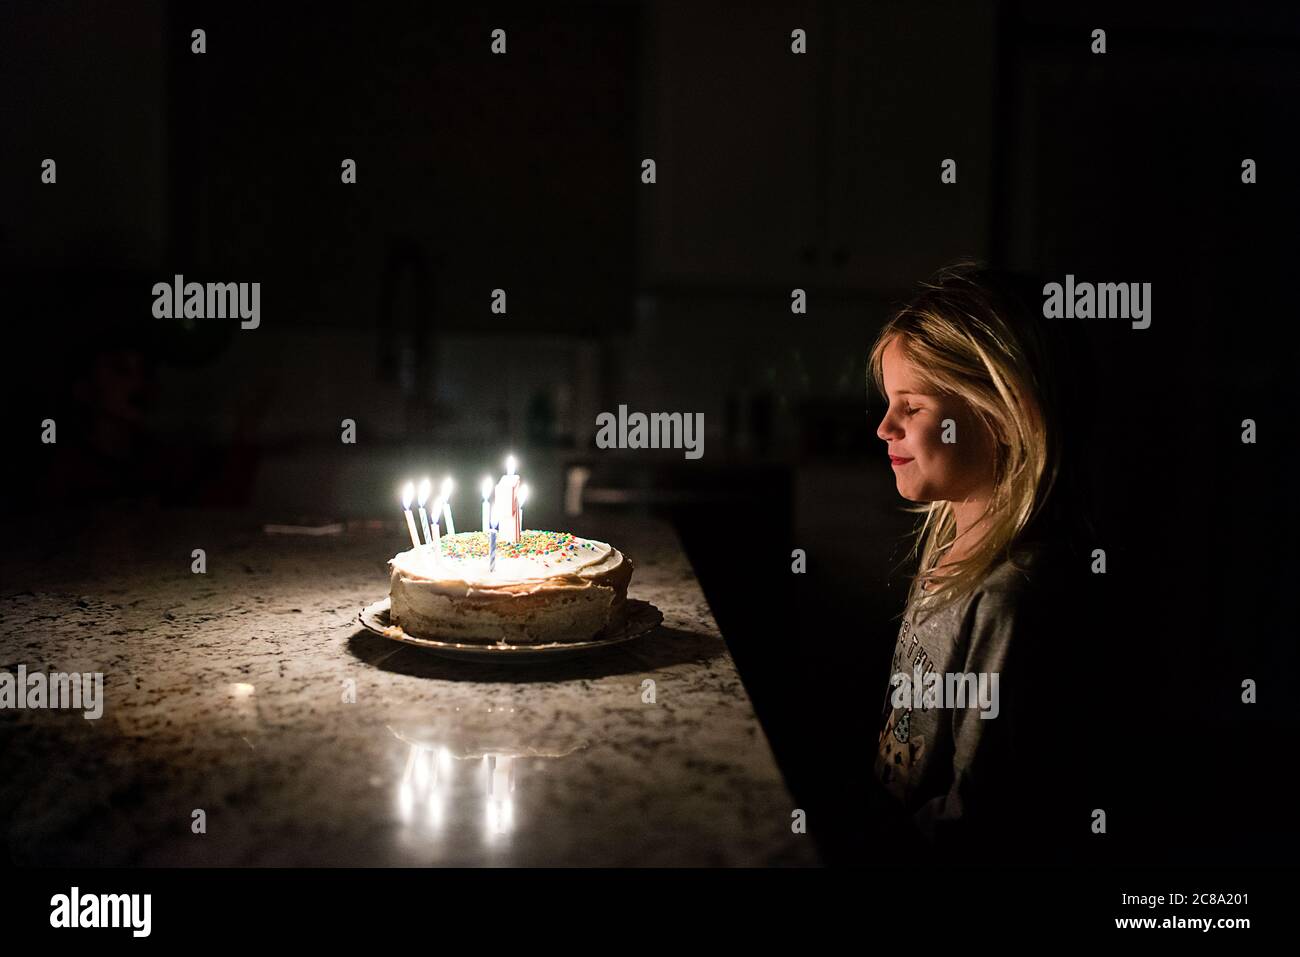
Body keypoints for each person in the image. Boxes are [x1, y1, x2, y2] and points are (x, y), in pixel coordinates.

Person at [866, 259, 1103, 865]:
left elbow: (980, 815)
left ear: (999, 416)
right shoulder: (949, 551)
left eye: (910, 407)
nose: (883, 427)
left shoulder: (1006, 597)